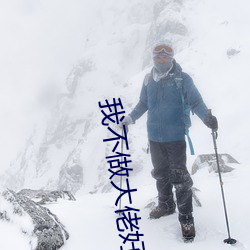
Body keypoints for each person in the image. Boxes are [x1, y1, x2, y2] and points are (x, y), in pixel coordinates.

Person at [121, 39, 218, 242]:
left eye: (167, 54)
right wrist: (130, 118)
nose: (162, 57)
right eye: (158, 54)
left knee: (180, 178)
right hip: (154, 137)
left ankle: (186, 219)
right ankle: (165, 205)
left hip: (175, 138)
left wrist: (206, 118)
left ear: (172, 57)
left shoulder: (182, 79)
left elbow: (196, 101)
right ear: (153, 57)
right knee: (160, 173)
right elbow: (143, 103)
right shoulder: (149, 79)